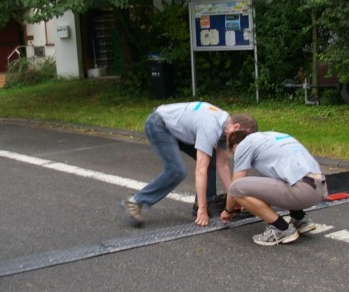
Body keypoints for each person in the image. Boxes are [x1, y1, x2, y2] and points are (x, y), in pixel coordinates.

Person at [123, 102, 258, 226]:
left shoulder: (226, 129)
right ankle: (135, 201)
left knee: (210, 158)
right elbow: (200, 170)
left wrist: (235, 198)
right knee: (176, 171)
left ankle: (206, 200)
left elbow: (222, 165)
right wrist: (202, 210)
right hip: (158, 124)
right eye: (242, 141)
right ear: (236, 127)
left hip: (178, 128)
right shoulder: (210, 127)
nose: (240, 146)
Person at [220, 130, 327, 246]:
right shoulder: (273, 137)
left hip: (303, 191)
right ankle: (300, 218)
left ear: (235, 147)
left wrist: (228, 210)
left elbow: (235, 186)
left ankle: (282, 229)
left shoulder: (244, 145)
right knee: (271, 179)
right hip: (320, 187)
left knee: (237, 188)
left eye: (233, 153)